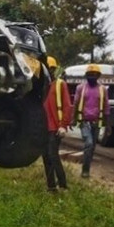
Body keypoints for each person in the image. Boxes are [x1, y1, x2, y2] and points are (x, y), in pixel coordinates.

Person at [73, 63, 109, 179]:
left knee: (92, 147)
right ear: (86, 75)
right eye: (89, 74)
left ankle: (88, 163)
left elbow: (106, 107)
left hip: (96, 123)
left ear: (98, 76)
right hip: (84, 122)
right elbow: (76, 104)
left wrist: (108, 125)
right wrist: (73, 119)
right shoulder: (80, 88)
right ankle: (85, 170)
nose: (92, 76)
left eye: (94, 74)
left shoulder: (103, 89)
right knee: (88, 143)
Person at [42, 56, 71, 192]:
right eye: (47, 68)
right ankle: (51, 186)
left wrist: (63, 125)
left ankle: (63, 184)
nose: (49, 71)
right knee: (46, 157)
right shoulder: (40, 86)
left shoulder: (60, 84)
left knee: (52, 155)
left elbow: (67, 106)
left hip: (55, 127)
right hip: (43, 128)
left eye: (51, 69)